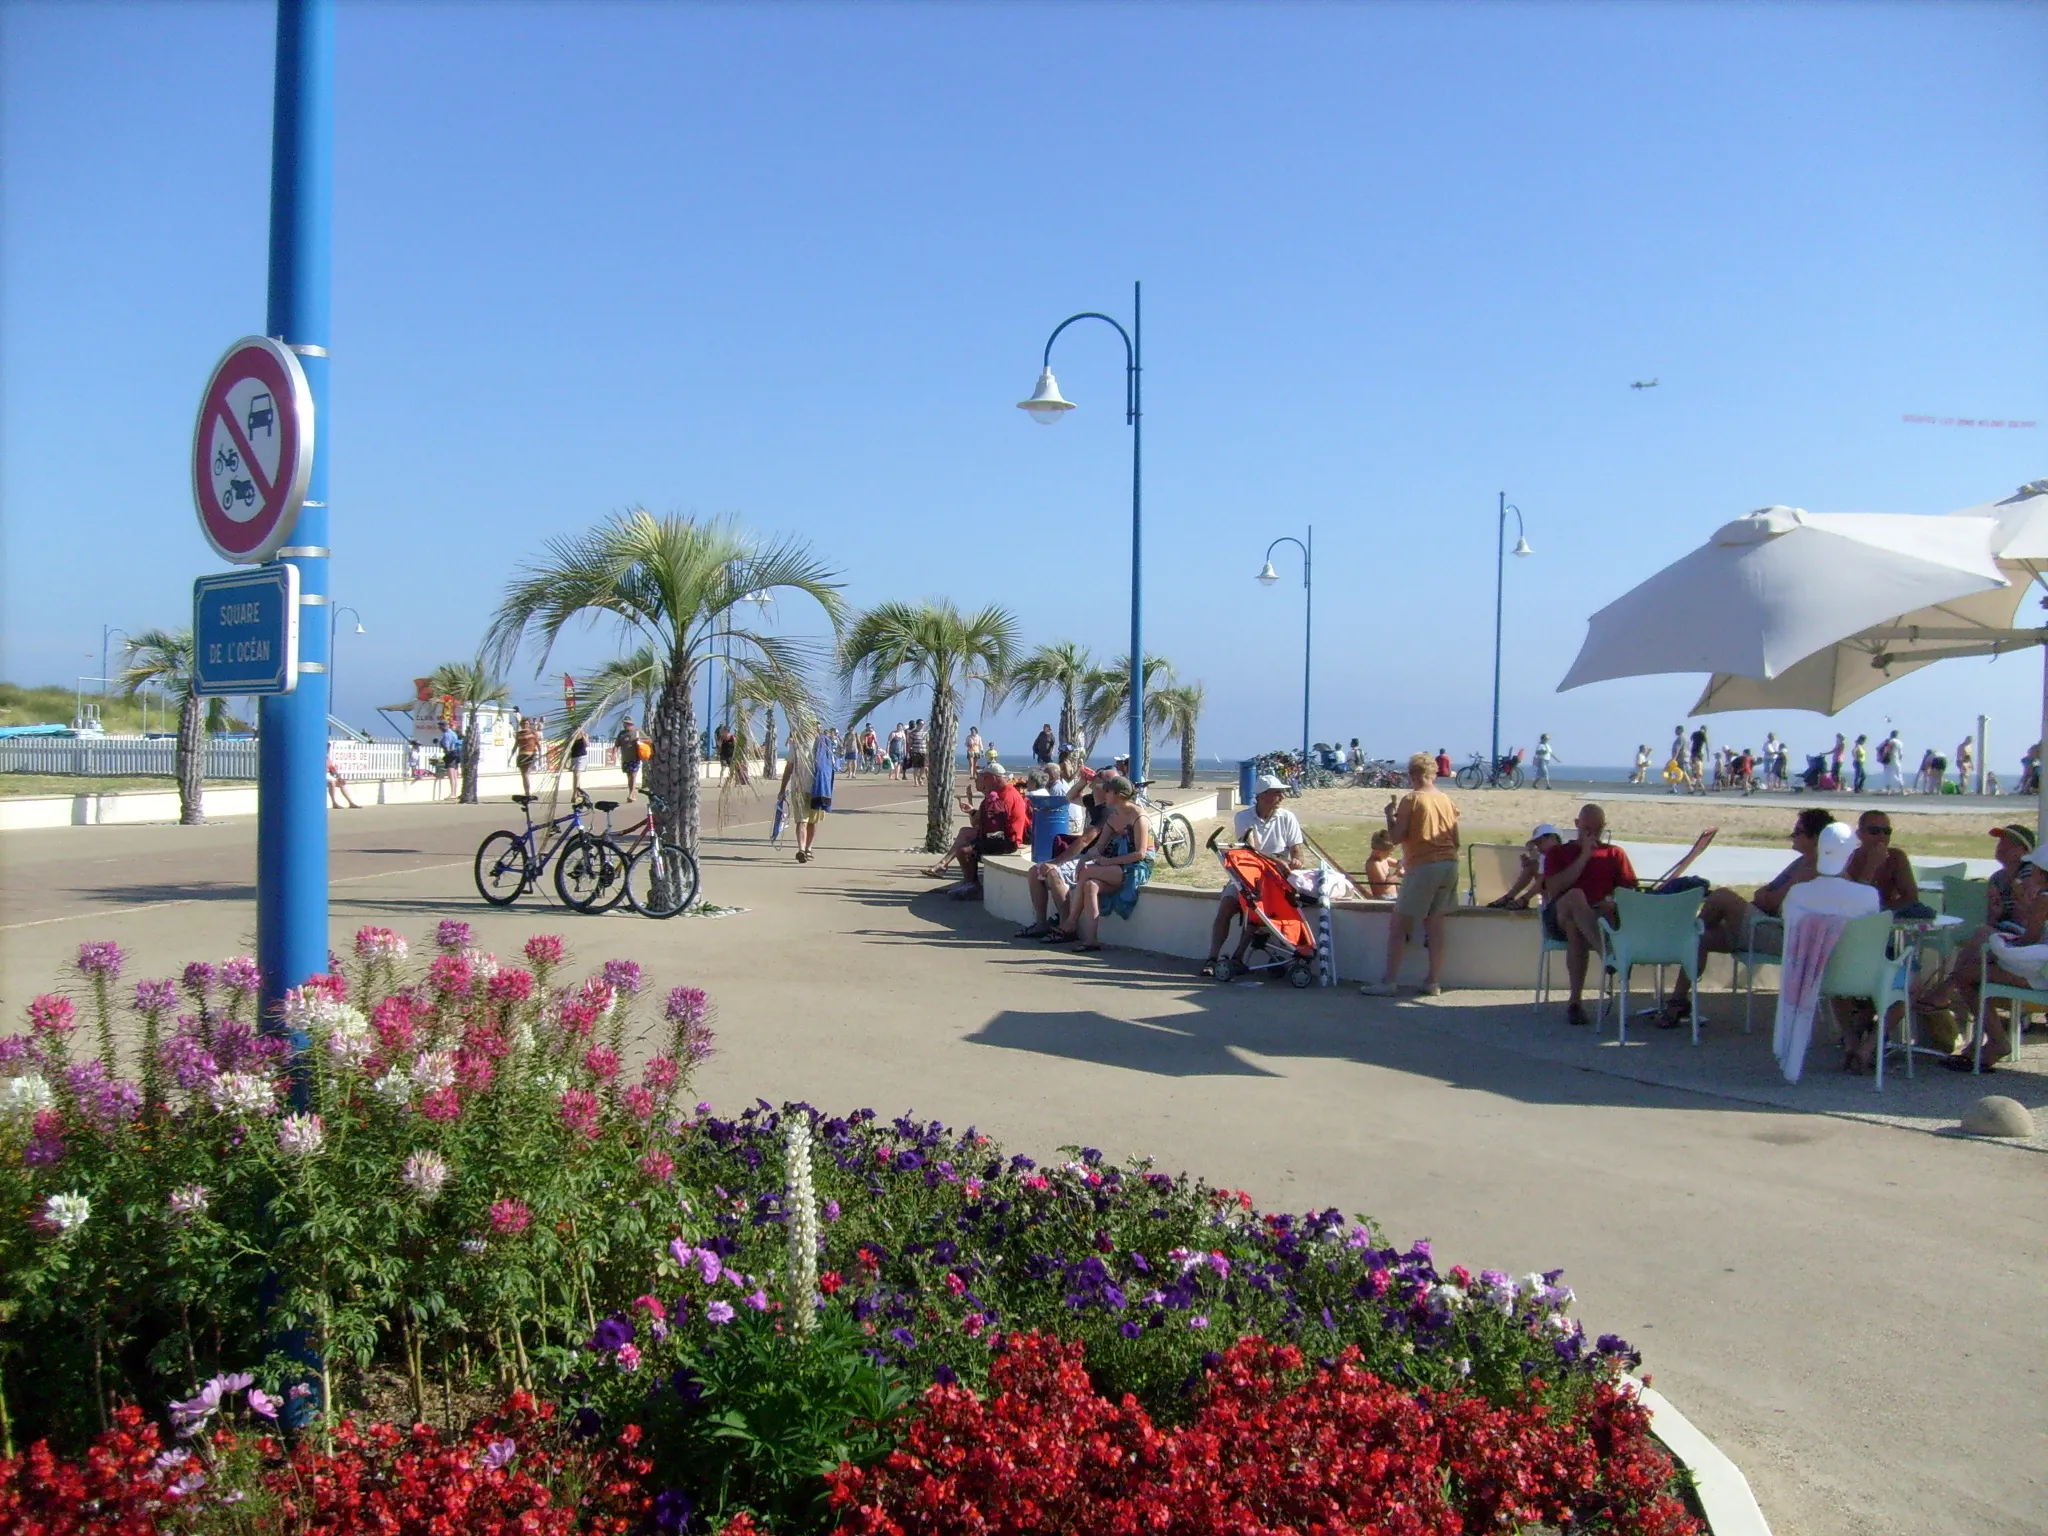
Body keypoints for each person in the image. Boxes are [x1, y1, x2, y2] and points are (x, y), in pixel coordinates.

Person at [1774, 822, 1886, 1077]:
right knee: (1910, 981)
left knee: (1834, 967)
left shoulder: (1798, 893)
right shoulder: (1868, 896)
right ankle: (1868, 1047)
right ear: (1850, 854)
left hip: (1809, 975)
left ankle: (1850, 1040)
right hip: (1856, 973)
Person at [1359, 753, 1460, 998]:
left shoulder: (1411, 799)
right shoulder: (1446, 799)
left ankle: (1389, 981)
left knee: (1399, 924)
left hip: (1424, 864)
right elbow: (1456, 839)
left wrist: (1389, 816)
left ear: (1414, 775)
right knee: (1435, 925)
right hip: (1449, 864)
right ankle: (1433, 981)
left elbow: (1395, 838)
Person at [1536, 802, 1639, 1026]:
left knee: (1576, 926)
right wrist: (1583, 856)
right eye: (1587, 829)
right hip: (1559, 913)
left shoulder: (1614, 854)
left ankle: (1575, 1003)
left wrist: (1611, 901)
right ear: (1577, 825)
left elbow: (1630, 892)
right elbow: (1553, 889)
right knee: (1575, 896)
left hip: (1595, 918)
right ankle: (1608, 955)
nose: (1592, 834)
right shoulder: (1559, 853)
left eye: (1597, 829)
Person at [1199, 774, 1306, 975]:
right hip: (1248, 872)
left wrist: (1296, 861)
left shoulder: (1287, 817)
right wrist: (1278, 860)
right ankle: (1212, 958)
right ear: (1261, 796)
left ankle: (1238, 956)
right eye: (1277, 793)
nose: (1282, 797)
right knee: (1226, 906)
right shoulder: (1243, 817)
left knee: (1258, 910)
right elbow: (1252, 851)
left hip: (1277, 877)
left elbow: (1297, 849)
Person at [1028, 775, 1150, 951]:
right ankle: (1091, 940)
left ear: (1120, 795)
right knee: (1091, 885)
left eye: (1108, 791)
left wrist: (1107, 862)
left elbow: (1141, 854)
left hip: (1135, 868)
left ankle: (1070, 923)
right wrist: (1083, 861)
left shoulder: (1139, 817)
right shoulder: (1113, 818)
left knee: (1087, 873)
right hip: (1117, 866)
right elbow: (1098, 848)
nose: (1104, 794)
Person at [930, 768, 1030, 896]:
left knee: (964, 850)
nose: (978, 781)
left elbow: (990, 823)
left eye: (981, 779)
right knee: (966, 839)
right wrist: (973, 811)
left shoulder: (1005, 796)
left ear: (991, 778)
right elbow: (984, 821)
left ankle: (972, 885)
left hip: (1007, 842)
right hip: (1004, 837)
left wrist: (981, 834)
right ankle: (964, 880)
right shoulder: (1002, 792)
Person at [1841, 808, 1931, 918]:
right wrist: (1871, 866)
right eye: (1874, 831)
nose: (1882, 837)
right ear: (1859, 834)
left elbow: (1911, 897)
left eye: (1886, 832)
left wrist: (1883, 911)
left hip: (1887, 918)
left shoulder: (1896, 857)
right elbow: (1855, 902)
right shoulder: (1848, 859)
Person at [779, 727, 837, 864]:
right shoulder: (797, 744)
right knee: (802, 821)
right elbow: (789, 767)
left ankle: (808, 848)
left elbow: (830, 768)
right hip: (800, 789)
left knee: (811, 821)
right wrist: (782, 788)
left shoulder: (824, 745)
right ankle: (802, 849)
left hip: (817, 789)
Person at [1487, 822, 1565, 910]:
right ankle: (1512, 897)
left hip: (1559, 900)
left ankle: (1518, 899)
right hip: (1553, 896)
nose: (1538, 848)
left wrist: (1533, 860)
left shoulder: (1562, 853)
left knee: (1535, 867)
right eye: (1536, 845)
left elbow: (1545, 879)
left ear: (1552, 838)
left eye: (1539, 843)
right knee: (1532, 866)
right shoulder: (1546, 855)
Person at [1362, 831, 1403, 900]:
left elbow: (1399, 863)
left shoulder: (1384, 858)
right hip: (1384, 898)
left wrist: (1405, 863)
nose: (1391, 854)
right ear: (1378, 852)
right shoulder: (1374, 864)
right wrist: (1398, 874)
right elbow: (1385, 885)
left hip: (1394, 896)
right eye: (1390, 852)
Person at [615, 717, 644, 802]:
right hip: (625, 758)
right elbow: (617, 744)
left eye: (627, 723)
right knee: (629, 777)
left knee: (633, 775)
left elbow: (648, 740)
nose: (625, 725)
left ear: (632, 724)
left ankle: (631, 794)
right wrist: (614, 753)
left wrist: (640, 740)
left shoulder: (637, 732)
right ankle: (632, 793)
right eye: (624, 723)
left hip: (635, 757)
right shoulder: (621, 734)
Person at [514, 713, 543, 799]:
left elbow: (538, 744)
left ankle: (528, 794)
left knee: (526, 774)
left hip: (530, 755)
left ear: (529, 724)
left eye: (526, 723)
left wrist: (540, 755)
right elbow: (516, 745)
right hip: (521, 755)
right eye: (523, 724)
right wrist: (511, 756)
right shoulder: (519, 734)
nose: (525, 725)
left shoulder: (533, 732)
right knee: (523, 775)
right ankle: (527, 792)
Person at [1876, 729, 1905, 793]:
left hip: (1887, 760)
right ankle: (1902, 790)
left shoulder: (1887, 741)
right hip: (1895, 760)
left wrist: (1882, 756)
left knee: (1887, 774)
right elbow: (1901, 754)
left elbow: (1878, 748)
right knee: (1898, 773)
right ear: (1897, 735)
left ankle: (1888, 790)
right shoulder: (1899, 742)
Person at [439, 723, 463, 798]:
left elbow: (447, 746)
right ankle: (454, 793)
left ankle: (452, 793)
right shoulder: (453, 733)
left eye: (440, 727)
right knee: (455, 776)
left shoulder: (446, 734)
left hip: (451, 755)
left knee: (451, 775)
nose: (439, 728)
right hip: (457, 754)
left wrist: (447, 753)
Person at [567, 727, 589, 797]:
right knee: (575, 776)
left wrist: (582, 735)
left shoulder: (585, 735)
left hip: (582, 756)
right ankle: (578, 792)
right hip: (574, 756)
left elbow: (587, 745)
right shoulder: (572, 736)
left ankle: (574, 794)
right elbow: (568, 746)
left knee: (577, 774)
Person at [904, 719, 927, 786]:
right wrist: (908, 752)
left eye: (923, 724)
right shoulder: (913, 733)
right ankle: (915, 781)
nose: (922, 725)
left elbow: (928, 742)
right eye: (921, 724)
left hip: (923, 751)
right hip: (915, 752)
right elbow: (910, 743)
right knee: (916, 767)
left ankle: (919, 777)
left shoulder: (925, 733)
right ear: (917, 725)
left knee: (923, 767)